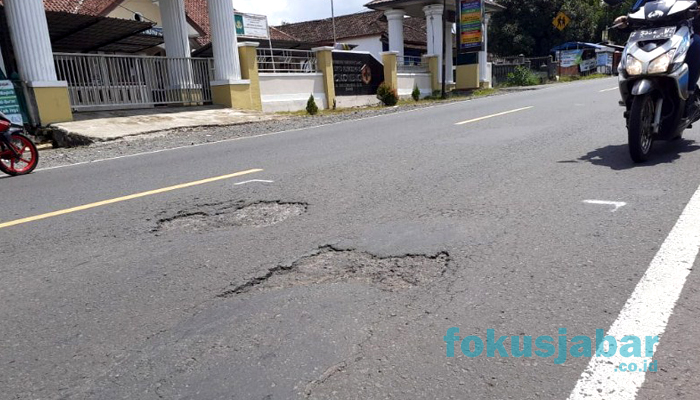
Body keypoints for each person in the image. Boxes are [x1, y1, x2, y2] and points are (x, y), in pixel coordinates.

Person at [615, 0, 700, 116]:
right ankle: (629, 94)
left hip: (680, 33)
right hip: (648, 37)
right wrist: (625, 21)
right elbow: (636, 12)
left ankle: (689, 93)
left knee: (697, 44)